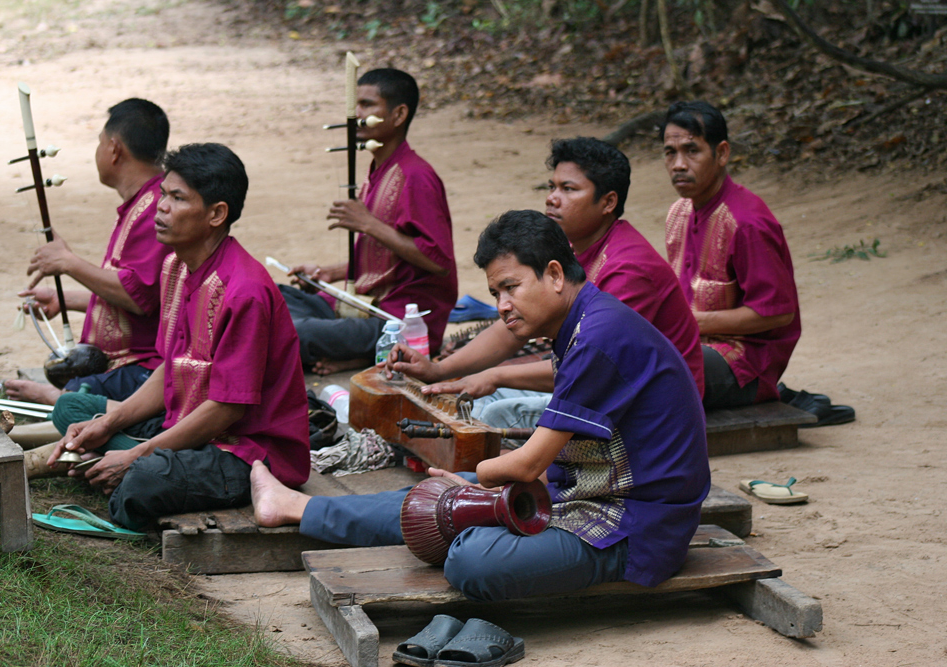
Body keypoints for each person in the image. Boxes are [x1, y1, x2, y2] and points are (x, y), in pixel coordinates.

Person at [250, 211, 709, 602]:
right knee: (443, 501)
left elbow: (529, 462)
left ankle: (462, 522)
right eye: (495, 294)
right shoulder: (584, 320)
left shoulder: (599, 334)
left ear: (553, 274)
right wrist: (473, 489)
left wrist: (480, 483)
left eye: (511, 287)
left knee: (469, 555)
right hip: (582, 488)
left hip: (634, 527)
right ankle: (294, 507)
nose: (503, 306)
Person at [41, 143, 310, 531]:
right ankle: (121, 457)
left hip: (246, 451)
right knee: (75, 411)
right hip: (187, 424)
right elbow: (171, 368)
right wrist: (111, 423)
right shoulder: (178, 268)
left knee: (143, 482)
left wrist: (136, 457)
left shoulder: (244, 290)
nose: (160, 207)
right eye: (163, 194)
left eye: (177, 198)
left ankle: (126, 465)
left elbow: (227, 409)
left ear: (217, 214)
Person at [379, 137, 703, 431]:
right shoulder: (570, 247)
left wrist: (495, 375)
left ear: (608, 202)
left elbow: (594, 364)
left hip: (645, 410)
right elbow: (512, 326)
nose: (552, 199)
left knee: (493, 413)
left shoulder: (629, 268)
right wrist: (439, 370)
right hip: (593, 380)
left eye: (569, 189)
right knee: (473, 397)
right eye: (552, 187)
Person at [280, 68, 457, 375]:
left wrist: (367, 223)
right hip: (362, 306)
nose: (355, 114)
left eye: (366, 105)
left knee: (291, 332)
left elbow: (439, 260)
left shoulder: (415, 176)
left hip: (395, 323)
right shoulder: (379, 169)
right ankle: (361, 357)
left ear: (398, 114)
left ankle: (375, 356)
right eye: (355, 105)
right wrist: (327, 274)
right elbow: (386, 259)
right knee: (272, 301)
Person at [5, 98, 173, 405]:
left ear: (113, 148)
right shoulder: (143, 202)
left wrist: (69, 263)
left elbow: (140, 296)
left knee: (68, 402)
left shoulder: (154, 208)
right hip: (125, 363)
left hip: (142, 370)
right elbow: (148, 293)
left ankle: (58, 401)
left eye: (99, 143)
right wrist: (64, 299)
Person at [661, 101, 800, 410]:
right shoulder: (679, 212)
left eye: (691, 151)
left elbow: (778, 313)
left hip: (743, 364)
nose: (678, 164)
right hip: (692, 345)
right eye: (670, 153)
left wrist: (692, 323)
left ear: (722, 153)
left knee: (644, 369)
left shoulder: (747, 222)